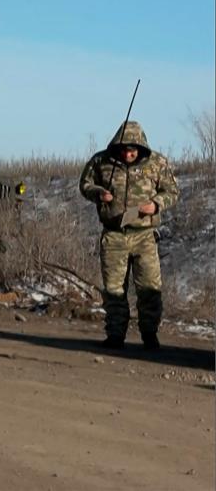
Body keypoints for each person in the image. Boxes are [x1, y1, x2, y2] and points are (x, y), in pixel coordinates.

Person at [79, 120, 179, 350]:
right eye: (125, 149)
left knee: (149, 288)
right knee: (114, 290)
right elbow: (85, 184)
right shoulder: (100, 161)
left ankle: (150, 335)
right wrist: (98, 193)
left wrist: (156, 204)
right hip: (114, 235)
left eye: (133, 149)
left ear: (141, 147)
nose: (128, 153)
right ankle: (115, 335)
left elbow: (172, 191)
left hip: (144, 235)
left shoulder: (157, 163)